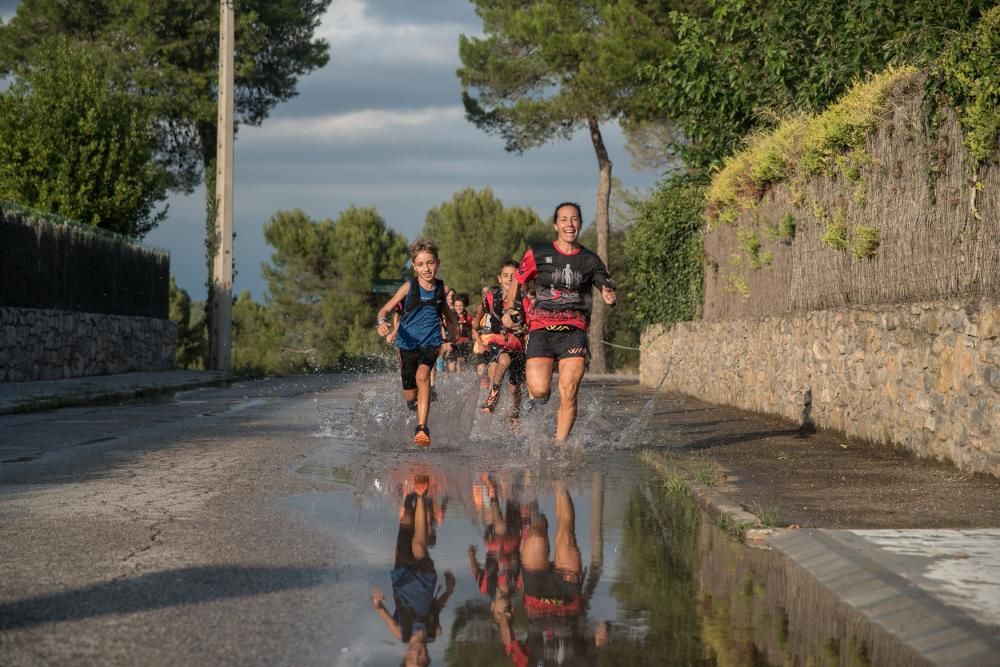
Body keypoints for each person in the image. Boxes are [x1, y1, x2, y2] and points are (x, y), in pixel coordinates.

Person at [514, 202, 616, 442]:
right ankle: (538, 398)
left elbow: (604, 282)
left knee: (569, 390)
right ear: (555, 225)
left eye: (574, 219)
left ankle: (559, 446)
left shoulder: (590, 259)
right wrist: (510, 308)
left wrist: (608, 292)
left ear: (580, 223)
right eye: (564, 219)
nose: (569, 224)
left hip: (574, 330)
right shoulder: (537, 254)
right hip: (541, 329)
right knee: (539, 390)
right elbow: (518, 280)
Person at [377, 239, 458, 447]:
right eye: (421, 264)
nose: (426, 268)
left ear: (437, 263)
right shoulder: (409, 286)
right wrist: (381, 322)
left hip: (430, 343)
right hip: (407, 344)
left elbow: (449, 315)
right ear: (414, 266)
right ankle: (419, 403)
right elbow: (384, 310)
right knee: (410, 396)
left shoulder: (441, 289)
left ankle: (422, 428)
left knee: (423, 376)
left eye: (430, 263)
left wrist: (453, 330)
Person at [371, 476, 456, 666]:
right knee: (419, 547)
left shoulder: (401, 632)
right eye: (421, 660)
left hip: (402, 575)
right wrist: (449, 591)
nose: (417, 654)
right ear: (428, 659)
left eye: (411, 659)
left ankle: (412, 497)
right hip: (425, 580)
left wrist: (377, 600)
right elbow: (436, 607)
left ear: (405, 657)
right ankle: (421, 495)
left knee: (406, 521)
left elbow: (381, 611)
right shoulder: (435, 632)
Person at [474, 261, 530, 419]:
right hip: (497, 342)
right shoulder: (492, 297)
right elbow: (478, 315)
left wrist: (524, 329)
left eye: (513, 276)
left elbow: (531, 324)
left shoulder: (523, 300)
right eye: (505, 276)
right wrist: (475, 329)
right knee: (503, 361)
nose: (509, 279)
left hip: (517, 346)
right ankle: (493, 395)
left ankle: (515, 414)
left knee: (514, 389)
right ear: (499, 278)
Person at [447, 294, 473, 373]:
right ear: (454, 306)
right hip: (453, 344)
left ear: (464, 306)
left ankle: (460, 381)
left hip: (464, 344)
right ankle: (452, 383)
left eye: (460, 306)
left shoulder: (468, 317)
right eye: (456, 306)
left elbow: (472, 330)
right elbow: (449, 330)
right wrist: (448, 342)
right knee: (451, 367)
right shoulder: (451, 317)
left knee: (460, 365)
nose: (458, 308)